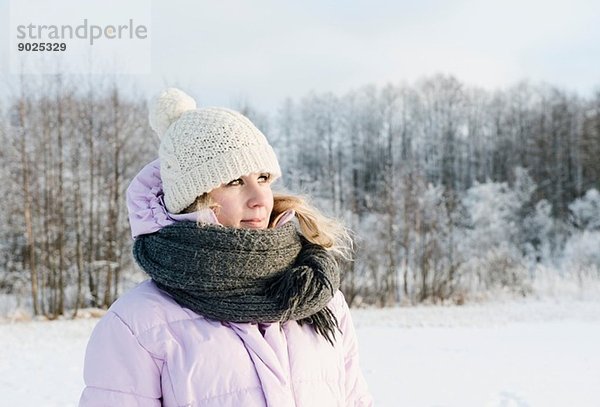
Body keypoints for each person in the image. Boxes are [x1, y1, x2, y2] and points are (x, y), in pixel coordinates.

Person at [79, 88, 373, 406]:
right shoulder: (138, 324)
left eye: (263, 178)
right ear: (194, 199)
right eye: (234, 182)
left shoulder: (319, 297)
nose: (260, 198)